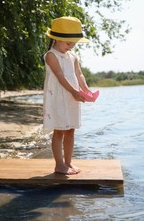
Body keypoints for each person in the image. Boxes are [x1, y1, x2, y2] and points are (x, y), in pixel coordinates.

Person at [43, 16, 90, 175]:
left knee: (71, 130)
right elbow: (60, 76)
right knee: (59, 130)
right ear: (56, 38)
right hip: (58, 97)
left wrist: (85, 88)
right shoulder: (51, 55)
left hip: (72, 98)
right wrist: (74, 92)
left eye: (74, 44)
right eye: (68, 43)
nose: (71, 47)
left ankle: (68, 163)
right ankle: (59, 165)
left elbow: (79, 74)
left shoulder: (73, 56)